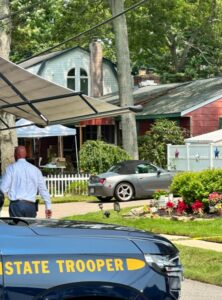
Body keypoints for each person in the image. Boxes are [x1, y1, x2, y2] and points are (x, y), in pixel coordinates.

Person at [0, 146, 52, 218]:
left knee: (17, 228)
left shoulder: (11, 169)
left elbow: (2, 189)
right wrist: (48, 207)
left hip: (16, 206)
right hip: (31, 206)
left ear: (15, 155)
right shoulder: (35, 170)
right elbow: (43, 190)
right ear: (26, 154)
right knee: (30, 228)